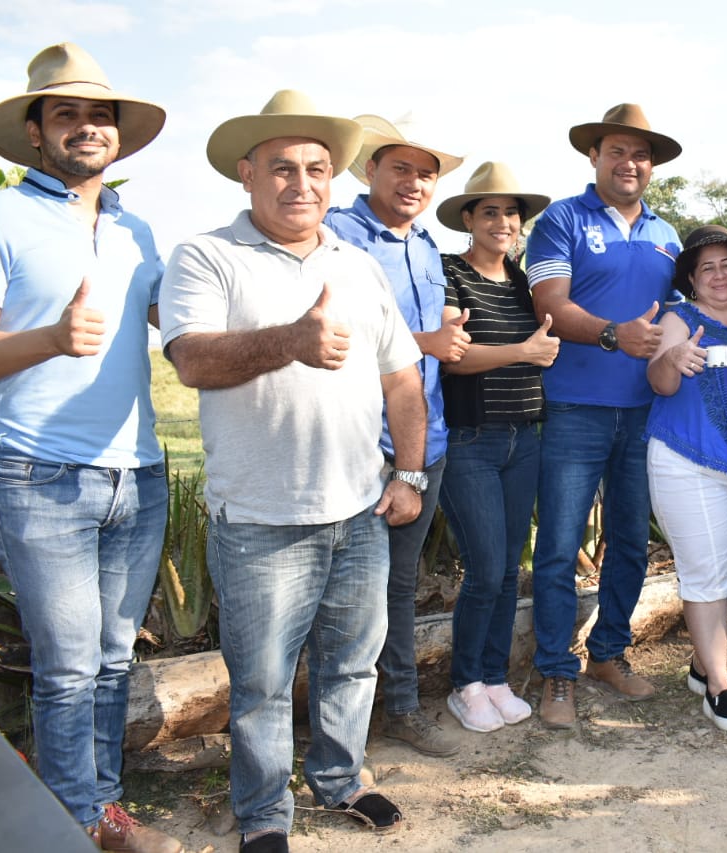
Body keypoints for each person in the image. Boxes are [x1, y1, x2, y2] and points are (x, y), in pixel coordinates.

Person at [160, 89, 427, 853]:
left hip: (359, 510)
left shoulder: (359, 265)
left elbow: (402, 379)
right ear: (247, 175)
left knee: (351, 663)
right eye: (281, 168)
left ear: (333, 179)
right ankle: (265, 811)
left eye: (316, 168)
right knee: (262, 685)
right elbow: (190, 360)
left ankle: (341, 778)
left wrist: (408, 476)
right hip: (259, 519)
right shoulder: (206, 255)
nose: (300, 183)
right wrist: (289, 341)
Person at [0, 43, 185, 853]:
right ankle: (80, 819)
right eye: (65, 114)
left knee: (111, 659)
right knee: (70, 665)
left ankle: (98, 804)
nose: (86, 127)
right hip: (39, 471)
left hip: (137, 474)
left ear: (118, 136)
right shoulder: (4, 217)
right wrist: (49, 338)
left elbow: (181, 326)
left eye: (98, 115)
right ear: (35, 133)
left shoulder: (137, 227)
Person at [524, 104, 682, 727]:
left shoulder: (668, 233)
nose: (630, 163)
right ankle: (557, 673)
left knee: (631, 547)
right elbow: (550, 305)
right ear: (594, 156)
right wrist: (616, 335)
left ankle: (608, 654)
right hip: (574, 409)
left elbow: (676, 319)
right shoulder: (562, 219)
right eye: (618, 150)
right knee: (561, 547)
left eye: (641, 154)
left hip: (647, 413)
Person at [325, 113, 465, 758]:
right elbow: (330, 335)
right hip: (357, 444)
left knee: (399, 585)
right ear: (371, 171)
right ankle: (334, 727)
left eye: (426, 173)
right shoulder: (336, 235)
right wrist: (427, 341)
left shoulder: (427, 246)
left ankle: (400, 707)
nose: (413, 182)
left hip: (423, 442)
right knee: (339, 589)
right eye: (400, 167)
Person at [431, 162, 557, 732]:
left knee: (509, 569)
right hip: (472, 439)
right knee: (483, 570)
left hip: (524, 436)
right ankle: (465, 684)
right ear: (468, 219)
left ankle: (495, 676)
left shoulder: (527, 282)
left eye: (510, 213)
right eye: (490, 212)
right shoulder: (449, 274)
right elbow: (452, 355)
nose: (502, 222)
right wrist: (524, 353)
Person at [645, 225, 727, 733]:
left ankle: (702, 661)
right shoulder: (680, 319)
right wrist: (673, 359)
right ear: (692, 279)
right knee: (704, 571)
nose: (719, 275)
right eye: (707, 268)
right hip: (687, 461)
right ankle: (719, 686)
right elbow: (659, 378)